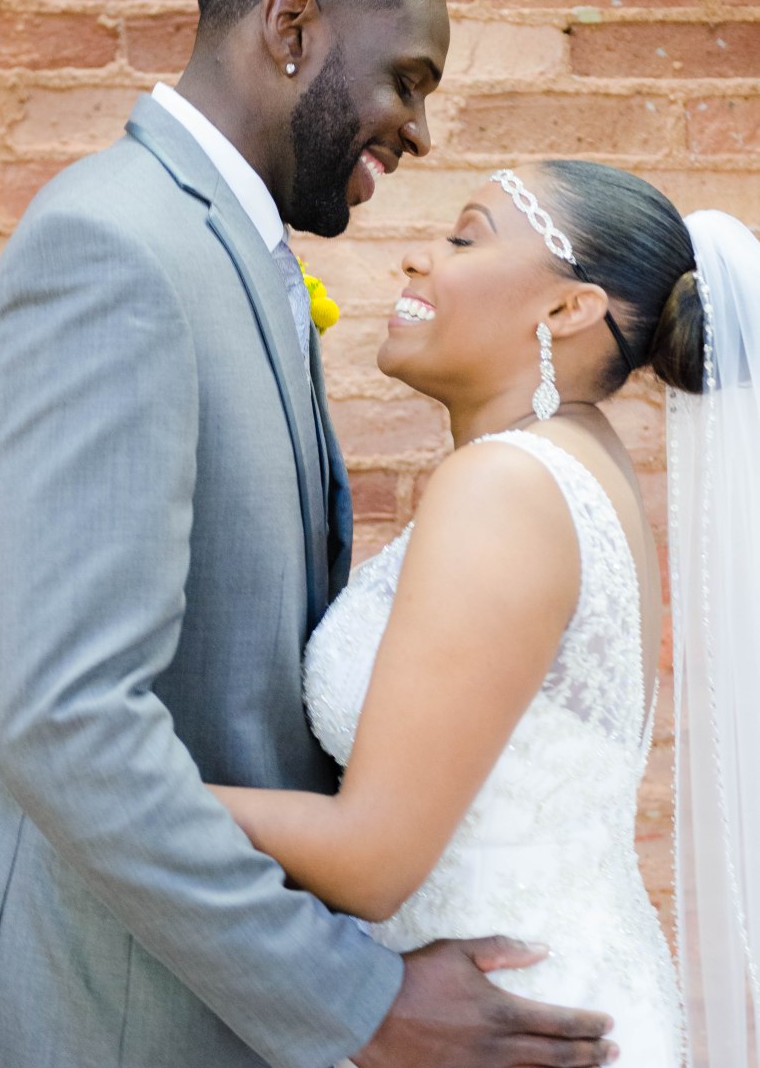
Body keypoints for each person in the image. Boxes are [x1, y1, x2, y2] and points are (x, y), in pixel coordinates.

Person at [0, 0, 616, 1068]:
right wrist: (353, 1000)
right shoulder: (114, 248)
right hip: (115, 1011)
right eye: (408, 79)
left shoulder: (234, 254)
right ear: (291, 24)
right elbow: (62, 721)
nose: (420, 130)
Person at [197, 158, 760, 1066]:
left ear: (566, 309)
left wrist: (109, 778)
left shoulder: (505, 486)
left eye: (464, 237)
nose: (417, 258)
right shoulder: (572, 461)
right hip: (548, 996)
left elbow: (369, 861)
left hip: (502, 1019)